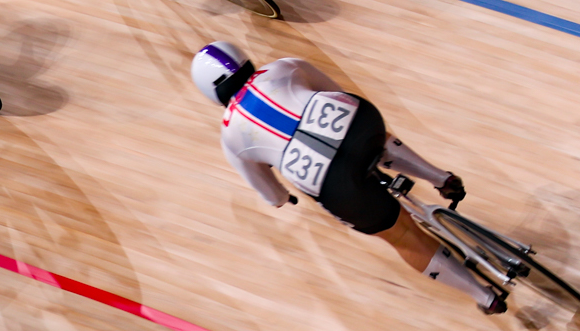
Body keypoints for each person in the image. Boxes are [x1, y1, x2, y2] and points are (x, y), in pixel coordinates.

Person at [189, 42, 501, 313]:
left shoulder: (229, 137)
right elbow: (338, 92)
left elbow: (272, 196)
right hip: (361, 124)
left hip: (333, 182)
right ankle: (439, 177)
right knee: (365, 133)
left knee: (404, 236)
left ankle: (485, 296)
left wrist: (284, 198)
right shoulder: (284, 66)